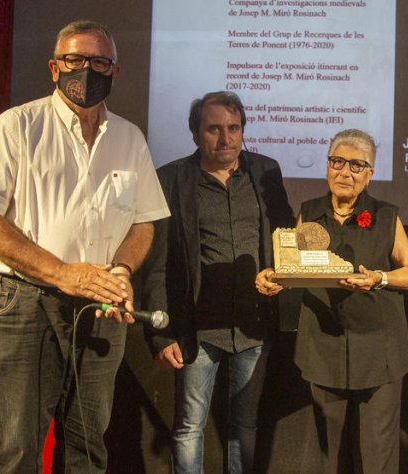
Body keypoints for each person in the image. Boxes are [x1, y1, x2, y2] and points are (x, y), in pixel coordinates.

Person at [0, 20, 170, 472]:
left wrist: (122, 272)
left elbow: (144, 222)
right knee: (18, 447)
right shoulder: (17, 126)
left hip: (100, 306)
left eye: (99, 62)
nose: (86, 70)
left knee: (89, 446)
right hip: (23, 303)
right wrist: (62, 273)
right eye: (75, 60)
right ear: (55, 67)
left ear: (115, 72)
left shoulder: (129, 137)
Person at [140, 91, 294, 473]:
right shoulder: (172, 179)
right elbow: (156, 263)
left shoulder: (266, 171)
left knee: (244, 424)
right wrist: (160, 334)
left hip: (253, 324)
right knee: (189, 426)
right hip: (196, 328)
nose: (225, 139)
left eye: (233, 128)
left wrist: (283, 274)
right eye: (214, 129)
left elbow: (284, 237)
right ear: (195, 134)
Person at [256, 129, 408, 473]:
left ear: (370, 174)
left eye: (357, 165)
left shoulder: (386, 216)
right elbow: (294, 267)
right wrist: (274, 279)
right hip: (323, 348)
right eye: (338, 162)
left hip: (380, 351)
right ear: (328, 166)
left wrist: (380, 278)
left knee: (378, 457)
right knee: (328, 455)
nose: (345, 172)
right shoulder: (310, 212)